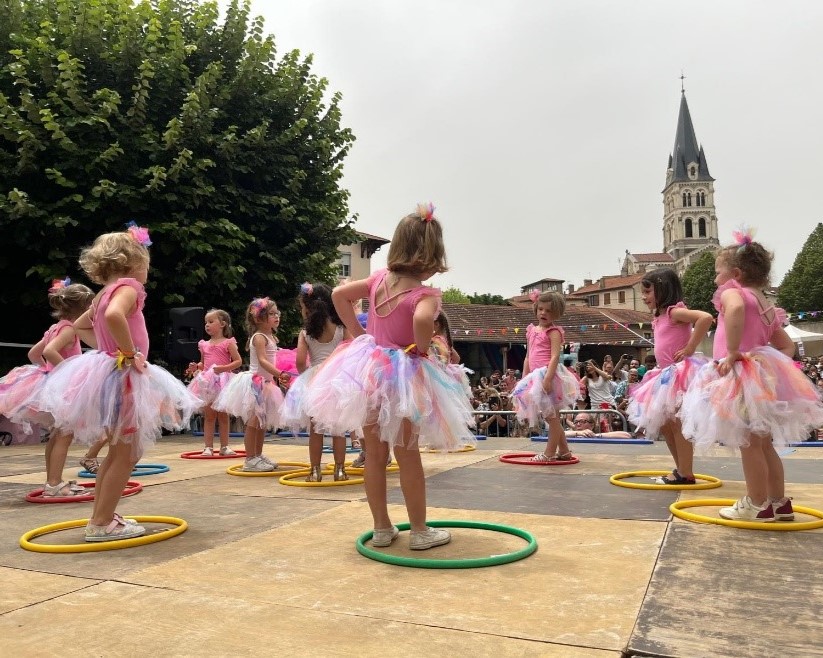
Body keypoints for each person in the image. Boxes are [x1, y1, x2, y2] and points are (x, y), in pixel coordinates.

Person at [302, 203, 475, 550]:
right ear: (431, 254)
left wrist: (357, 334)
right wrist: (422, 349)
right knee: (408, 453)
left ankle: (382, 528)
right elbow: (424, 321)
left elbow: (339, 294)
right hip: (403, 378)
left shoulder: (379, 279)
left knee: (376, 454)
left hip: (369, 372)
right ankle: (420, 531)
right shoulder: (424, 294)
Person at [40, 225, 200, 540]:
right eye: (146, 264)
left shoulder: (101, 293)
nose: (147, 272)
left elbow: (82, 324)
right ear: (132, 263)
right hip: (125, 375)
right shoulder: (127, 287)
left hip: (109, 373)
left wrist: (105, 348)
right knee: (125, 454)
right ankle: (101, 524)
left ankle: (102, 516)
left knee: (117, 452)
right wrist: (127, 352)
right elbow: (114, 316)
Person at [680, 231, 823, 520]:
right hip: (759, 378)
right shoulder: (765, 304)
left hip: (739, 375)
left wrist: (733, 351)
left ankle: (756, 504)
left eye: (717, 272)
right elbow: (785, 345)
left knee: (749, 443)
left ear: (735, 273)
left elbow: (732, 309)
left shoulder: (734, 293)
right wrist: (767, 363)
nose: (714, 279)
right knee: (763, 442)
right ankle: (778, 501)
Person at [0, 279, 94, 496]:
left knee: (57, 435)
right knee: (65, 435)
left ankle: (53, 480)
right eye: (90, 308)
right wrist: (67, 374)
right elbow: (51, 351)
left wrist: (46, 372)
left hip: (52, 384)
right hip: (64, 388)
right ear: (81, 309)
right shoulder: (70, 329)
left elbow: (34, 353)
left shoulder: (55, 327)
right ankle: (54, 483)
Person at [626, 268, 713, 485]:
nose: (644, 298)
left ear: (663, 290)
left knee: (676, 423)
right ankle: (680, 468)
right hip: (664, 374)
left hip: (679, 373)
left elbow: (705, 318)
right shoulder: (660, 315)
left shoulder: (675, 312)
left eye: (648, 292)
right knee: (664, 424)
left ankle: (685, 472)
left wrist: (691, 347)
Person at [281, 282, 352, 481]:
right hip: (338, 379)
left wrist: (306, 377)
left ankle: (315, 471)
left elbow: (300, 362)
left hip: (316, 381)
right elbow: (350, 352)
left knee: (316, 429)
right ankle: (340, 470)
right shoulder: (341, 327)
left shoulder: (305, 333)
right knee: (338, 428)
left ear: (308, 307)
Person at [213, 298, 286, 472]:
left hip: (267, 384)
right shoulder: (259, 337)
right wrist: (279, 373)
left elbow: (272, 358)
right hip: (255, 383)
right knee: (254, 421)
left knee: (262, 422)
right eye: (271, 314)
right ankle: (249, 459)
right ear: (258, 318)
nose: (276, 316)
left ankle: (258, 455)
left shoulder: (271, 337)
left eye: (277, 313)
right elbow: (262, 360)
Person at [512, 291, 580, 462]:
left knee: (551, 417)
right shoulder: (531, 330)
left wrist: (548, 378)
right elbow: (528, 356)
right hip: (535, 377)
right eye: (540, 309)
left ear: (556, 313)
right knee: (551, 416)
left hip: (547, 375)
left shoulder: (554, 332)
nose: (543, 313)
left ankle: (549, 453)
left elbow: (555, 357)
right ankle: (564, 451)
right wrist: (525, 379)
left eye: (548, 311)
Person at [186, 309, 242, 456]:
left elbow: (238, 361)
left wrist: (225, 368)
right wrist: (196, 367)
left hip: (223, 382)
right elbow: (203, 364)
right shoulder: (204, 344)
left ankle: (224, 446)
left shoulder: (228, 343)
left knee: (223, 416)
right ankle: (208, 447)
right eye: (206, 322)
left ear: (222, 324)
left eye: (211, 322)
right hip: (208, 382)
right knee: (209, 415)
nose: (207, 325)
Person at [566, 413, 632, 439]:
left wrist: (595, 435)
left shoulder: (597, 436)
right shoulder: (569, 434)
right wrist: (578, 433)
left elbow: (627, 435)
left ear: (591, 425)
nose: (578, 424)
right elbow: (557, 434)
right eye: (576, 422)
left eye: (583, 421)